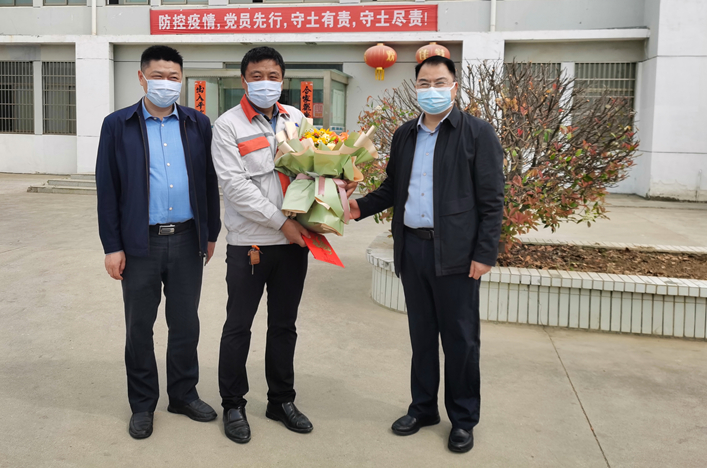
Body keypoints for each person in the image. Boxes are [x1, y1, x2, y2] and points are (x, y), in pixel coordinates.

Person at [349, 56, 504, 454]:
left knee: (460, 341)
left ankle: (463, 419)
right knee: (421, 337)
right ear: (415, 87)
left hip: (456, 254)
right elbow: (392, 188)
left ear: (454, 87)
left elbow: (492, 201)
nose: (431, 90)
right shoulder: (406, 134)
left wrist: (484, 253)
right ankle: (423, 409)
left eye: (439, 82)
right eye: (424, 83)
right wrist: (357, 207)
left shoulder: (477, 133)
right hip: (413, 249)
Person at [95, 45, 221, 440]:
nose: (166, 83)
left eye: (173, 77)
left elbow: (209, 182)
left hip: (186, 239)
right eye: (158, 76)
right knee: (139, 328)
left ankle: (183, 395)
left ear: (181, 80)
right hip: (139, 244)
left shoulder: (198, 124)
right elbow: (107, 190)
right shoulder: (118, 125)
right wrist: (112, 246)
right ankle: (143, 404)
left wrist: (210, 233)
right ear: (141, 77)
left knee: (185, 324)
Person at [211, 46, 318, 445]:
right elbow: (235, 188)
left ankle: (281, 400)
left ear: (282, 80)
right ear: (244, 80)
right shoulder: (227, 126)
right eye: (257, 76)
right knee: (238, 326)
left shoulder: (297, 120)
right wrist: (281, 223)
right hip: (250, 245)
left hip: (294, 244)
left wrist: (337, 186)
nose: (265, 83)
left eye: (273, 76)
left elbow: (314, 168)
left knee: (284, 325)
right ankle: (233, 404)